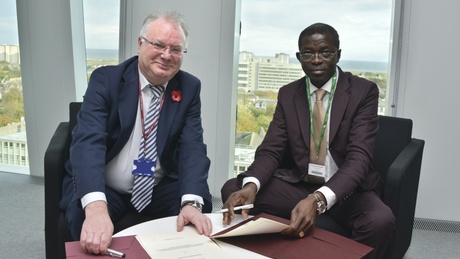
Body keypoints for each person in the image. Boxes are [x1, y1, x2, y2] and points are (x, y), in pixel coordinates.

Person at [221, 23, 395, 259]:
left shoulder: (363, 92)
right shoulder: (288, 94)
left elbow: (358, 159)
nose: (316, 60)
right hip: (301, 184)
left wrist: (318, 199)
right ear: (298, 57)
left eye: (325, 52)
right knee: (235, 189)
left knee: (380, 221)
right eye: (308, 53)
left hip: (347, 191)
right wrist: (251, 186)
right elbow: (271, 150)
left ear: (338, 55)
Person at [60, 11, 213, 255]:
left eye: (175, 49)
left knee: (197, 219)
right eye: (159, 45)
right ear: (140, 43)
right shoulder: (106, 80)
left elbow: (192, 147)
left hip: (159, 185)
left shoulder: (189, 87)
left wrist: (190, 203)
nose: (166, 55)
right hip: (108, 186)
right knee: (86, 225)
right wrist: (97, 207)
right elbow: (89, 142)